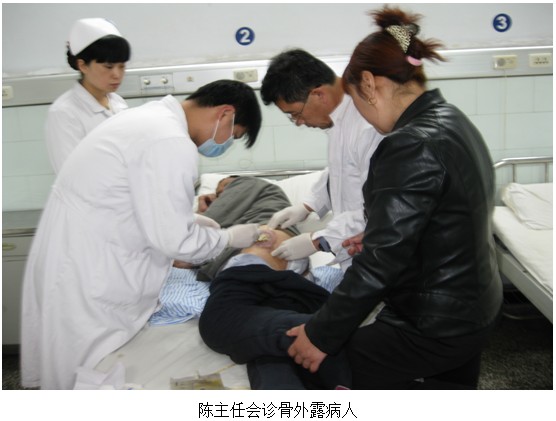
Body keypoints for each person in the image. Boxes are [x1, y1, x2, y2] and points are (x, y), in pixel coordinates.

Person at [286, 6, 503, 389]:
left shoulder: (409, 144)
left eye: (356, 101)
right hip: (475, 305)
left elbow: (380, 264)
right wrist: (376, 234)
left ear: (369, 85)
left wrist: (320, 334)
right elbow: (449, 216)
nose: (364, 116)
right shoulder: (452, 120)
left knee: (320, 371)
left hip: (434, 322)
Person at [21, 79, 263, 390]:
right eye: (233, 135)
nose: (226, 144)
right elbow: (175, 242)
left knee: (71, 364)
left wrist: (188, 219)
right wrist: (228, 239)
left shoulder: (148, 119)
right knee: (84, 374)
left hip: (79, 254)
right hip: (92, 270)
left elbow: (129, 198)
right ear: (224, 113)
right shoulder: (170, 141)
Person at [260, 49, 383, 271]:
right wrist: (307, 205)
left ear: (318, 94)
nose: (299, 122)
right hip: (357, 255)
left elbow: (381, 206)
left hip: (377, 253)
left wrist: (317, 240)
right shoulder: (340, 120)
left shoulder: (369, 125)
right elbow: (340, 171)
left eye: (295, 114)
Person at [199, 225, 351, 390]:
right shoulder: (224, 246)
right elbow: (186, 251)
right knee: (275, 352)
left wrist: (316, 236)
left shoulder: (274, 218)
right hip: (250, 282)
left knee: (224, 324)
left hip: (288, 289)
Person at [45, 18, 131, 173]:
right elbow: (70, 173)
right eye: (108, 66)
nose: (117, 74)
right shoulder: (64, 112)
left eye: (122, 66)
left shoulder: (118, 103)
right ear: (83, 65)